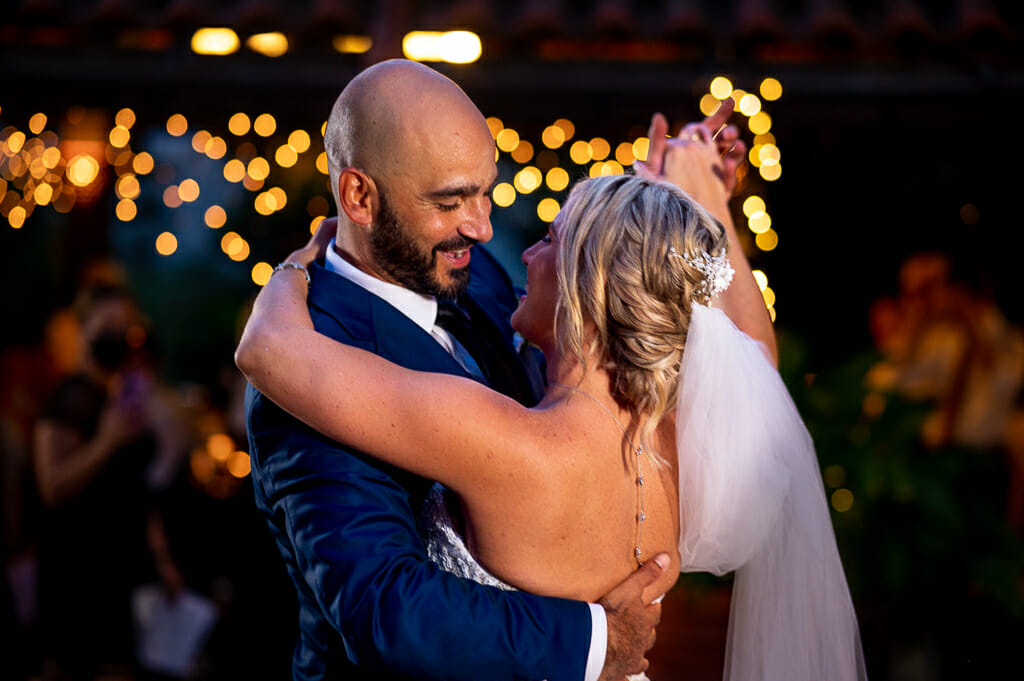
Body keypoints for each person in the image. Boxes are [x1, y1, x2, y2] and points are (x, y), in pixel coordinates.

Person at [238, 163, 866, 678]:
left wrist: (297, 265)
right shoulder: (692, 440)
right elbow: (757, 353)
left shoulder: (501, 439)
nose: (526, 254)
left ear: (581, 289)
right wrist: (706, 199)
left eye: (551, 239)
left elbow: (267, 353)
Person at [240, 59, 728, 681]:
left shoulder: (477, 275)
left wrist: (651, 239)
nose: (482, 226)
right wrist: (596, 641)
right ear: (358, 196)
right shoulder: (307, 363)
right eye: (449, 201)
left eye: (484, 190)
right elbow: (384, 610)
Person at [33, 285, 187, 681]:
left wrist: (160, 557)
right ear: (84, 329)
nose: (118, 336)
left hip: (119, 566)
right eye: (108, 326)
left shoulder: (119, 394)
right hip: (79, 572)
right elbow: (52, 485)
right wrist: (107, 442)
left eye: (126, 326)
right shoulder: (71, 396)